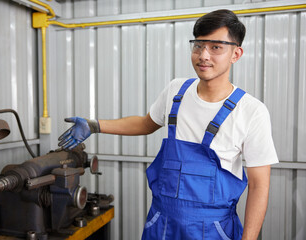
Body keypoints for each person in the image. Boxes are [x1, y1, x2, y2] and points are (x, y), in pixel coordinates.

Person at [58, 9, 278, 240]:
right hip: (161, 224)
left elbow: (259, 186)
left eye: (215, 47)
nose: (203, 55)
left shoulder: (251, 111)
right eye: (198, 45)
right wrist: (94, 125)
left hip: (214, 230)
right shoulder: (176, 91)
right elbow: (145, 124)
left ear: (236, 54)